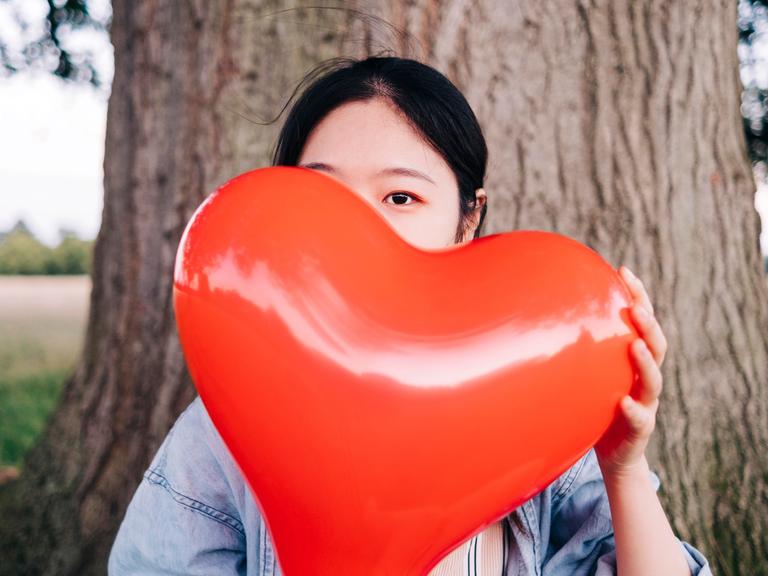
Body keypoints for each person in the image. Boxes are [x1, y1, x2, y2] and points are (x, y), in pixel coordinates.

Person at [108, 56, 713, 576]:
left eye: (400, 197)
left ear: (467, 217)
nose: (359, 225)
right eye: (325, 195)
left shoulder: (542, 408)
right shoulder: (227, 423)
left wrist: (624, 469)